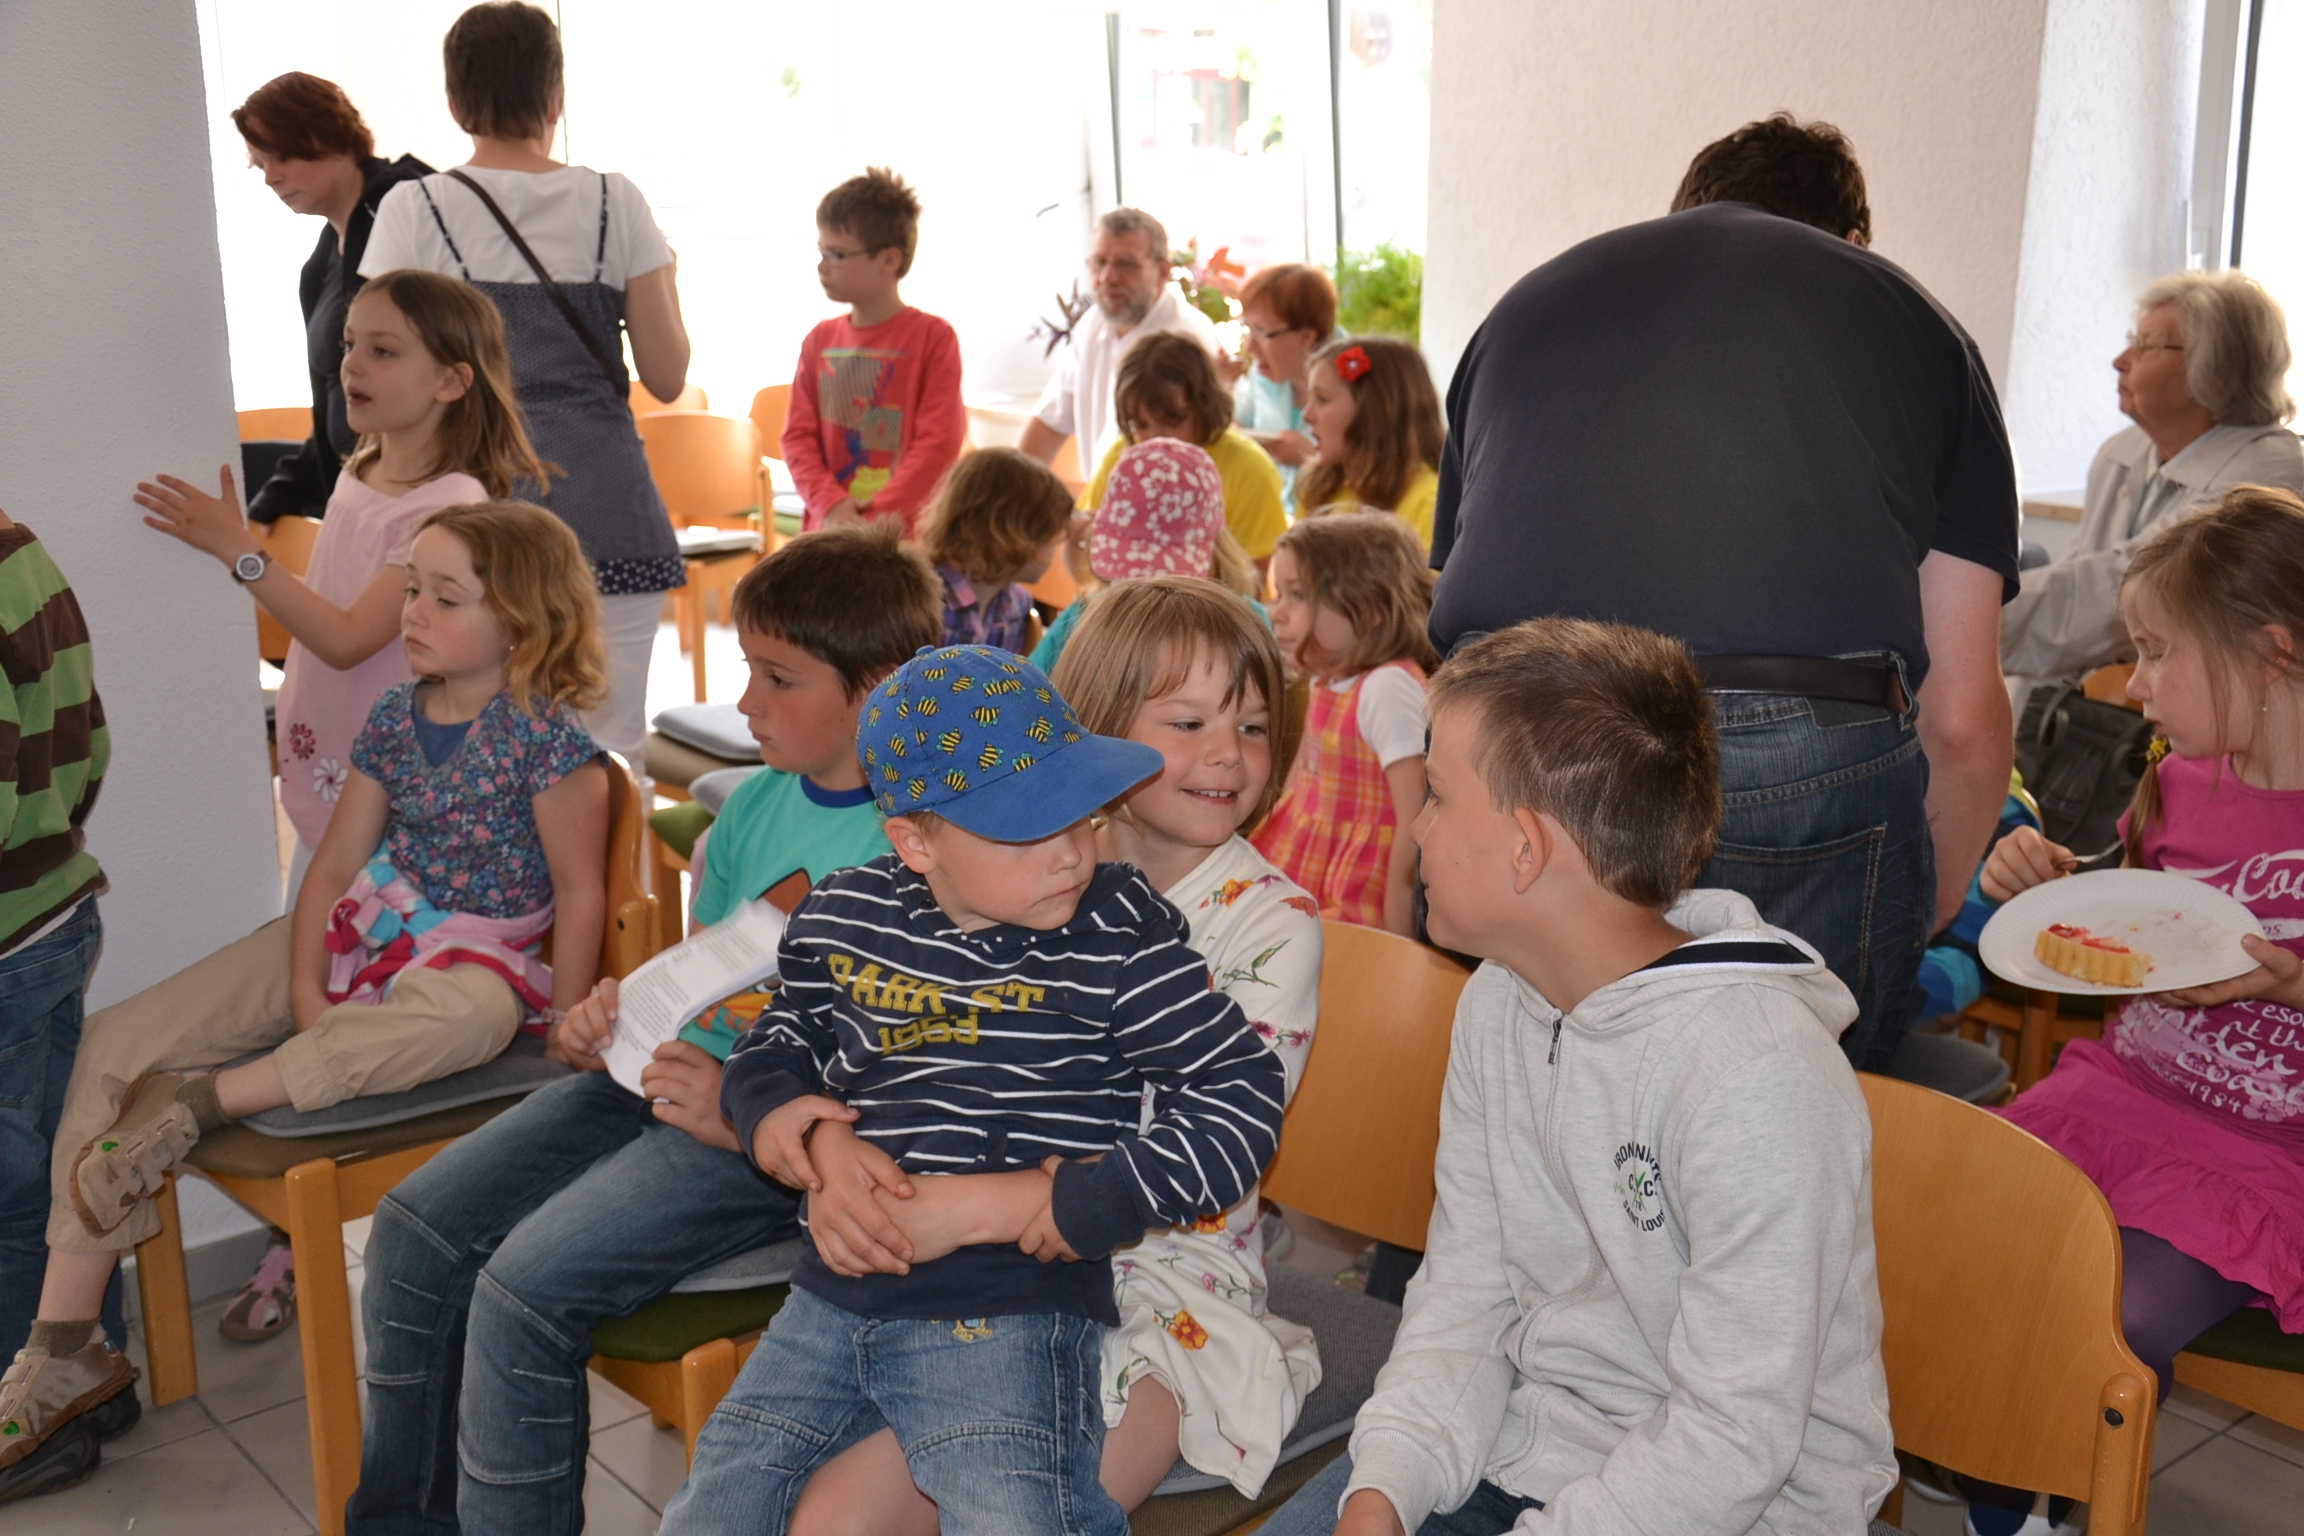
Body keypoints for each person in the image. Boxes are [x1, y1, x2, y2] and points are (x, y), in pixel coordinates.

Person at [0, 502, 610, 1493]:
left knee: (474, 1016)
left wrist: (571, 1029)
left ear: (526, 622)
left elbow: (580, 892)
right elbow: (329, 871)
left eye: (443, 597)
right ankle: (65, 1343)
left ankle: (196, 1104)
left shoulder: (549, 742)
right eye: (413, 587)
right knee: (112, 1044)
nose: (412, 611)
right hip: (358, 931)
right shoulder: (395, 717)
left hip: (475, 966)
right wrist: (306, 992)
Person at [348, 524, 941, 1533]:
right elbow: (713, 973)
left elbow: (908, 1077)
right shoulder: (753, 804)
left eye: (778, 679)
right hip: (660, 1078)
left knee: (520, 1297)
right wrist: (614, 1012)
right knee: (410, 1234)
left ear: (880, 689)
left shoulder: (931, 848)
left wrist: (736, 1110)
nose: (745, 703)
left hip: (766, 1139)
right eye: (748, 671)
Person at [1257, 617, 1896, 1536]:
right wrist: (1382, 1488)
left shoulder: (1759, 1077)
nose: (1416, 827)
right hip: (1523, 1447)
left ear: (1527, 848)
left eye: (1435, 795)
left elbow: (1734, 1440)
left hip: (1742, 1509)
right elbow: (1466, 1295)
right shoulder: (1499, 1002)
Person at [1428, 112, 2019, 1072]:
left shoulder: (1527, 304)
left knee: (1532, 1107)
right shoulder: (1911, 320)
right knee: (1779, 1120)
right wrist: (1917, 907)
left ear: (1678, 215)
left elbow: (1453, 598)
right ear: (1851, 243)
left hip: (1508, 731)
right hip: (1783, 746)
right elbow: (1959, 719)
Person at [656, 644, 1287, 1536]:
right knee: (715, 1507)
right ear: (916, 840)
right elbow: (778, 1040)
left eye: (1076, 815)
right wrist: (798, 1131)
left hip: (1008, 1306)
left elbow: (1238, 1097)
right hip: (832, 1298)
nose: (1069, 854)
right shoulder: (845, 916)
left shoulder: (1120, 931)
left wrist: (1075, 1201)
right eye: (1026, 832)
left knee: (1016, 1517)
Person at [1969, 489, 2304, 1536]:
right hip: (2117, 1100)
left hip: (2259, 1157)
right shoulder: (2178, 783)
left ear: (2268, 653)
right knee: (1954, 1238)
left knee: (2108, 1325)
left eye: (2158, 656)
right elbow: (2131, 915)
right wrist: (2045, 875)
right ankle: (2003, 1503)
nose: (2136, 686)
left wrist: (2290, 982)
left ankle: (2047, 1501)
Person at [360, 0, 691, 767]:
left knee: (476, 758)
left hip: (478, 518)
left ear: (454, 101)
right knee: (608, 756)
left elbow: (380, 380)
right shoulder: (618, 202)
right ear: (555, 98)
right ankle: (615, 894)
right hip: (611, 512)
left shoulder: (415, 209)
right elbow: (668, 376)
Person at [137, 269, 542, 894]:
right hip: (331, 735)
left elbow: (349, 637)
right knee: (318, 920)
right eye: (350, 344)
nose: (352, 365)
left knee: (355, 935)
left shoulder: (449, 503)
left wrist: (238, 551)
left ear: (452, 380)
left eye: (383, 351)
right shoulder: (367, 462)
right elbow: (334, 599)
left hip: (391, 769)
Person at [2001, 271, 2303, 710]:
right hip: (2099, 710)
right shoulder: (2121, 452)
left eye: (2146, 345)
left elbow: (2122, 593)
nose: (2121, 360)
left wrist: (1960, 624)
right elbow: (2082, 575)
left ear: (2216, 367)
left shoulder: (2269, 470)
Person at [0, 505, 126, 1506]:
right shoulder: (15, 546)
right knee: (57, 1163)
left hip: (7, 941)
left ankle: (33, 1424)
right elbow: (85, 731)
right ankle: (97, 1375)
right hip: (48, 912)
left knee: (14, 1195)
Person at [229, 72, 433, 524]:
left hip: (418, 492)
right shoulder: (320, 261)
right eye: (261, 165)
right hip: (365, 493)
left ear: (329, 137)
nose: (270, 178)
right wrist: (284, 490)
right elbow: (336, 397)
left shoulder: (407, 208)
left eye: (280, 157)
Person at [1253, 514, 1435, 936]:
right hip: (1310, 854)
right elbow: (1300, 780)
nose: (1276, 613)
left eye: (1297, 596)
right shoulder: (1327, 678)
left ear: (1369, 609)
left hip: (1358, 878)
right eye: (1280, 594)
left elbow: (1414, 819)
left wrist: (1398, 928)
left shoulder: (1385, 688)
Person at [781, 167, 966, 536]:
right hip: (829, 531)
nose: (822, 266)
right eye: (820, 252)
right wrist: (832, 506)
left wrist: (875, 516)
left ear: (889, 260)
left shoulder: (933, 338)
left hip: (903, 539)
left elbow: (939, 443)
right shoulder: (819, 340)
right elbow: (797, 438)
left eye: (836, 254)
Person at [1031, 438, 1260, 674]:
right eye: (1132, 573)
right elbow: (1024, 690)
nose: (1148, 588)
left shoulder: (1244, 623)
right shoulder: (1082, 616)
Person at [1020, 207, 1218, 472]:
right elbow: (1049, 422)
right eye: (1100, 262)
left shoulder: (1187, 337)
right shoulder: (1091, 325)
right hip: (1104, 499)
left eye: (1126, 265)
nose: (1108, 278)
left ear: (1162, 271)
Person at [1083, 331, 1289, 571]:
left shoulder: (1250, 468)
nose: (1155, 439)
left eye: (1173, 422)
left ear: (1206, 405)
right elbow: (1092, 560)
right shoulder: (1124, 458)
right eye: (1140, 425)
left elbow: (1253, 584)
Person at [1296, 337, 1444, 551]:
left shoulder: (1429, 504)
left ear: (1373, 411)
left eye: (1322, 399)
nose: (1306, 415)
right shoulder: (1319, 488)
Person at [919, 448, 1074, 651]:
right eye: (1051, 536)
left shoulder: (1019, 606)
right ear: (1012, 533)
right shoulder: (922, 600)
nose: (1055, 549)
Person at [1233, 262, 1338, 512]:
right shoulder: (1262, 378)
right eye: (1247, 329)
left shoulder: (1355, 387)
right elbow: (1236, 425)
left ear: (1306, 337)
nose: (1250, 348)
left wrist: (1311, 459)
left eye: (1261, 332)